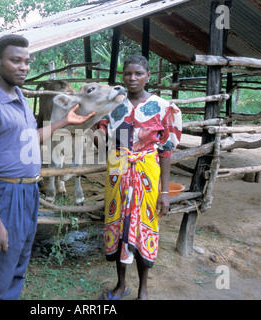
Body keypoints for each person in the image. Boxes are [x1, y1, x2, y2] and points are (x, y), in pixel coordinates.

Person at [0, 34, 95, 300]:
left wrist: (63, 123)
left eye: (27, 61)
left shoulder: (20, 98)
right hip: (3, 195)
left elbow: (29, 138)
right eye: (16, 60)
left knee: (17, 268)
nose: (24, 67)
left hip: (28, 193)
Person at [96, 55, 182, 300]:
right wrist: (99, 137)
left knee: (145, 228)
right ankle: (121, 285)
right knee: (118, 228)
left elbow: (166, 152)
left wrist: (164, 192)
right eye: (127, 74)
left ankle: (143, 289)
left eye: (138, 74)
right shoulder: (115, 108)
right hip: (118, 174)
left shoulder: (163, 108)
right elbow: (103, 132)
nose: (132, 79)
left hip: (147, 174)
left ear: (147, 76)